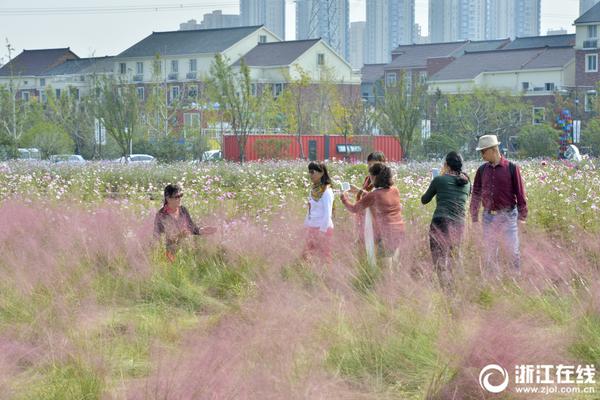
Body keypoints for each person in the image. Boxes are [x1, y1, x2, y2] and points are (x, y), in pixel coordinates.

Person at [470, 135, 528, 273]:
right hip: (488, 218)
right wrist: (474, 218)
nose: (482, 155)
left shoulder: (512, 168)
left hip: (508, 216)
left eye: (483, 151)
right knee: (489, 254)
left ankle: (515, 280)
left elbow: (520, 194)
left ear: (493, 150)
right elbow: (476, 195)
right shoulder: (482, 170)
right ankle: (492, 284)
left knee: (512, 251)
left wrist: (522, 217)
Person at [421, 151, 471, 292]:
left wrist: (438, 178)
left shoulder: (439, 180)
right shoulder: (467, 183)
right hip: (459, 225)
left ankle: (446, 290)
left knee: (439, 259)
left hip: (440, 223)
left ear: (446, 165)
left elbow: (424, 200)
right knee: (454, 257)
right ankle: (456, 288)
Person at [340, 163, 404, 270]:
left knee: (385, 268)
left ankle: (388, 286)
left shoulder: (374, 195)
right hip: (399, 230)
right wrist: (359, 191)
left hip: (386, 233)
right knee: (394, 263)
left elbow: (354, 209)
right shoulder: (395, 190)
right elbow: (381, 199)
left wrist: (344, 199)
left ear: (374, 177)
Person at [154, 184, 216, 261]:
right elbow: (158, 237)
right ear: (168, 198)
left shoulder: (183, 210)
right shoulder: (161, 215)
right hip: (170, 253)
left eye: (181, 195)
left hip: (186, 249)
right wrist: (178, 236)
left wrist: (202, 230)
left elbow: (191, 227)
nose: (180, 199)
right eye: (176, 197)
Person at [347, 152, 386, 243]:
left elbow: (376, 197)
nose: (370, 166)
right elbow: (366, 195)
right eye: (369, 164)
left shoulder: (384, 180)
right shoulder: (368, 179)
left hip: (377, 219)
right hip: (365, 217)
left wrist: (358, 190)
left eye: (373, 164)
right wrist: (356, 191)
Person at [303, 162, 334, 261]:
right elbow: (310, 209)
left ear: (321, 173)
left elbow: (327, 214)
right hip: (312, 226)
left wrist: (322, 231)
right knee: (307, 256)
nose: (310, 175)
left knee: (324, 257)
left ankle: (326, 275)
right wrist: (305, 225)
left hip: (323, 228)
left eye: (312, 172)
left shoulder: (327, 191)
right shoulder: (313, 190)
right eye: (309, 172)